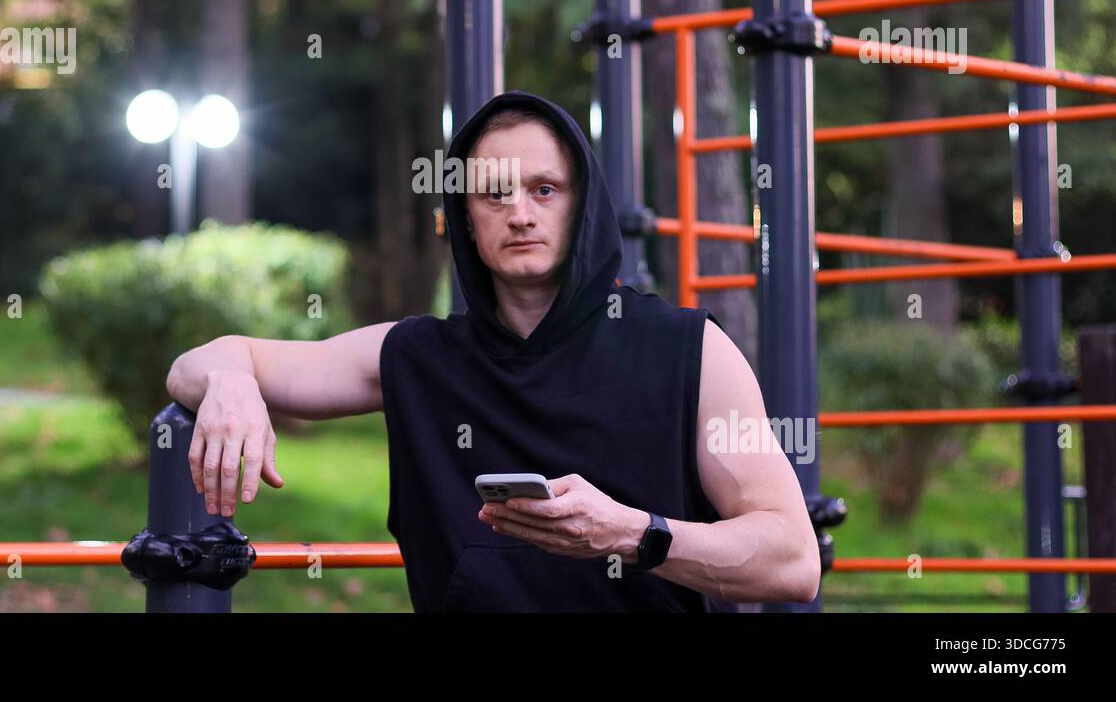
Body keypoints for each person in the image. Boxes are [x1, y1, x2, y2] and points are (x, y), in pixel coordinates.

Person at [167, 90, 821, 612]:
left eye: (544, 189)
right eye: (494, 193)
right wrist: (229, 379)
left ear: (582, 204)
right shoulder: (417, 356)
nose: (519, 213)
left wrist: (629, 532)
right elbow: (196, 364)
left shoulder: (690, 350)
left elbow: (793, 562)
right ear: (466, 217)